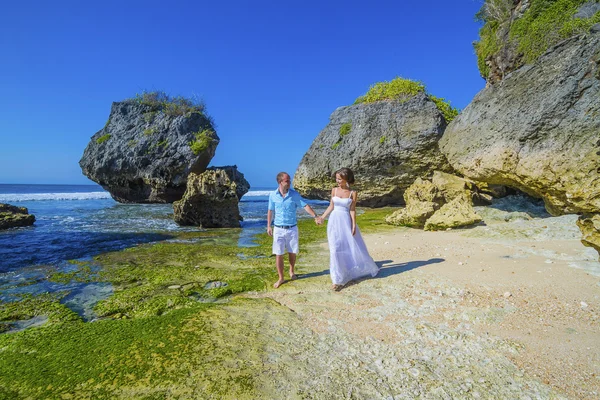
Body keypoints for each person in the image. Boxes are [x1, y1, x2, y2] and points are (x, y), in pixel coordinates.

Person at [316, 167, 379, 291]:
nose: (337, 181)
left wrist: (354, 224)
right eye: (336, 178)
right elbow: (331, 206)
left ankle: (345, 273)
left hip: (345, 221)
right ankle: (337, 279)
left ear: (346, 179)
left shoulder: (352, 193)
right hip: (334, 221)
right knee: (334, 249)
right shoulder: (333, 190)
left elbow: (352, 210)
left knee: (348, 247)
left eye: (340, 179)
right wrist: (322, 217)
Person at [267, 172, 320, 288]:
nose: (289, 182)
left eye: (289, 180)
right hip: (278, 229)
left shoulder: (294, 195)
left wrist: (315, 216)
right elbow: (270, 211)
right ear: (280, 182)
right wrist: (268, 226)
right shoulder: (272, 195)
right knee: (278, 254)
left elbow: (305, 206)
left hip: (292, 228)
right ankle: (281, 278)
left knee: (292, 252)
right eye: (287, 181)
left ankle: (291, 271)